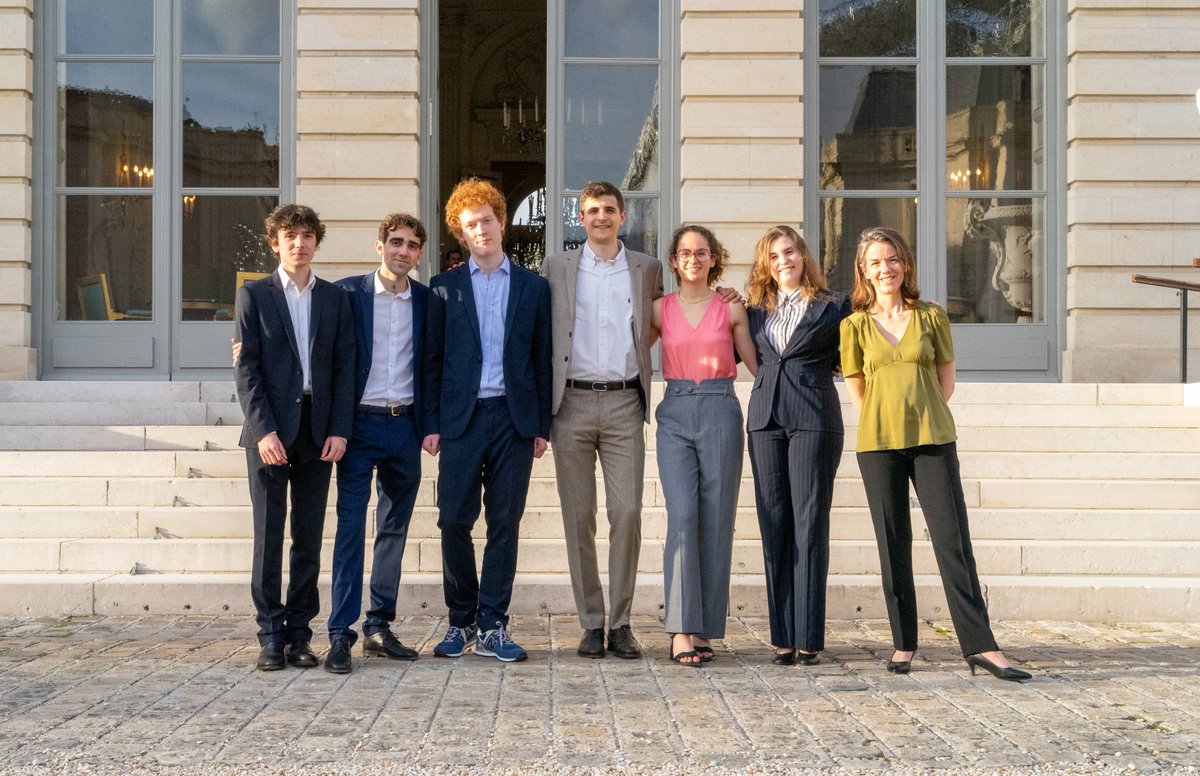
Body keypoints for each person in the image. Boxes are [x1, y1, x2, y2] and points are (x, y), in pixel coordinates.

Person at [839, 226, 1032, 682]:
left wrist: (920, 412)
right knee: (893, 545)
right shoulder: (853, 325)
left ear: (904, 264)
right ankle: (904, 642)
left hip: (932, 440)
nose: (884, 269)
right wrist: (887, 419)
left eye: (892, 259)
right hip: (878, 445)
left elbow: (946, 382)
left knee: (953, 543)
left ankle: (981, 646)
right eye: (874, 263)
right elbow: (858, 388)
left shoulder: (931, 317)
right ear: (863, 272)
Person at [427, 177, 552, 663]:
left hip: (513, 419)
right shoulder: (444, 288)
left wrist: (541, 424)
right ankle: (461, 621)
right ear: (461, 234)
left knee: (505, 522)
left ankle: (494, 623)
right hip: (460, 420)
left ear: (502, 221)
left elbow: (542, 358)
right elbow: (432, 361)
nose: (481, 229)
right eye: (470, 224)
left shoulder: (533, 288)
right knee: (453, 518)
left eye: (487, 220)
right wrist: (431, 423)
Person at [542, 181, 662, 659]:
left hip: (623, 403)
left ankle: (623, 620)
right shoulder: (557, 268)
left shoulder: (646, 268)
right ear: (581, 217)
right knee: (578, 518)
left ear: (622, 217)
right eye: (592, 211)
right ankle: (592, 622)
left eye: (609, 210)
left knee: (627, 513)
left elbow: (667, 316)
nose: (601, 218)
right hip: (569, 403)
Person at [234, 204, 355, 672]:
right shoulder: (254, 295)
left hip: (317, 433)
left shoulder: (334, 298)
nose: (299, 243)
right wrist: (263, 429)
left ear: (317, 243)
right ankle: (270, 635)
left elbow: (345, 368)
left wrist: (340, 429)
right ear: (274, 242)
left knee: (306, 538)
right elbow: (246, 371)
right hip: (269, 435)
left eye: (307, 235)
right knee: (268, 536)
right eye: (290, 235)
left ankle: (301, 634)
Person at [323, 214, 443, 673]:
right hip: (358, 427)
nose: (403, 251)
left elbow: (432, 367)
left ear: (419, 254)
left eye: (413, 245)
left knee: (393, 529)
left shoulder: (428, 302)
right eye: (396, 242)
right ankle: (339, 633)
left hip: (406, 428)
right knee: (351, 528)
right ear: (379, 246)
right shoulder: (346, 294)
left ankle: (378, 625)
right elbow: (322, 352)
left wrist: (430, 425)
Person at [745, 225, 851, 667]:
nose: (782, 260)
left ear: (803, 255)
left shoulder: (835, 306)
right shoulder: (754, 310)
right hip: (764, 421)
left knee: (809, 526)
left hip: (814, 419)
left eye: (789, 252)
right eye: (773, 256)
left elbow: (854, 357)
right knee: (774, 525)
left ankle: (809, 637)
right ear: (765, 265)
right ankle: (782, 637)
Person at [651, 224, 757, 666]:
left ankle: (704, 627)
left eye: (702, 252)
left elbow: (758, 363)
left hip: (721, 410)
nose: (693, 259)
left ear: (714, 259)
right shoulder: (659, 309)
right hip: (674, 411)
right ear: (674, 261)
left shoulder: (731, 309)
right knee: (682, 517)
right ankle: (679, 627)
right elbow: (633, 355)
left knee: (716, 520)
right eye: (685, 252)